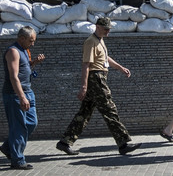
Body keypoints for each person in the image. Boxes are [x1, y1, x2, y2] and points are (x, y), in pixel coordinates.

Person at [56, 17, 141, 156]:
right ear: (98, 27)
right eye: (106, 29)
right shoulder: (90, 41)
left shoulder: (99, 41)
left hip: (99, 77)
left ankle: (65, 142)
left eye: (109, 29)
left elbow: (105, 58)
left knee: (85, 113)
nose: (108, 31)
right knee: (109, 109)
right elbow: (86, 65)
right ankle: (123, 143)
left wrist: (120, 68)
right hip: (96, 79)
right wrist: (84, 86)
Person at [0, 26, 45, 170]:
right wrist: (22, 97)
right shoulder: (13, 51)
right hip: (15, 95)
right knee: (18, 127)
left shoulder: (24, 50)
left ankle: (8, 147)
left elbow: (24, 68)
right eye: (31, 41)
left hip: (27, 91)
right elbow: (13, 77)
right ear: (22, 38)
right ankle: (17, 160)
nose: (33, 44)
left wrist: (34, 62)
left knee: (31, 123)